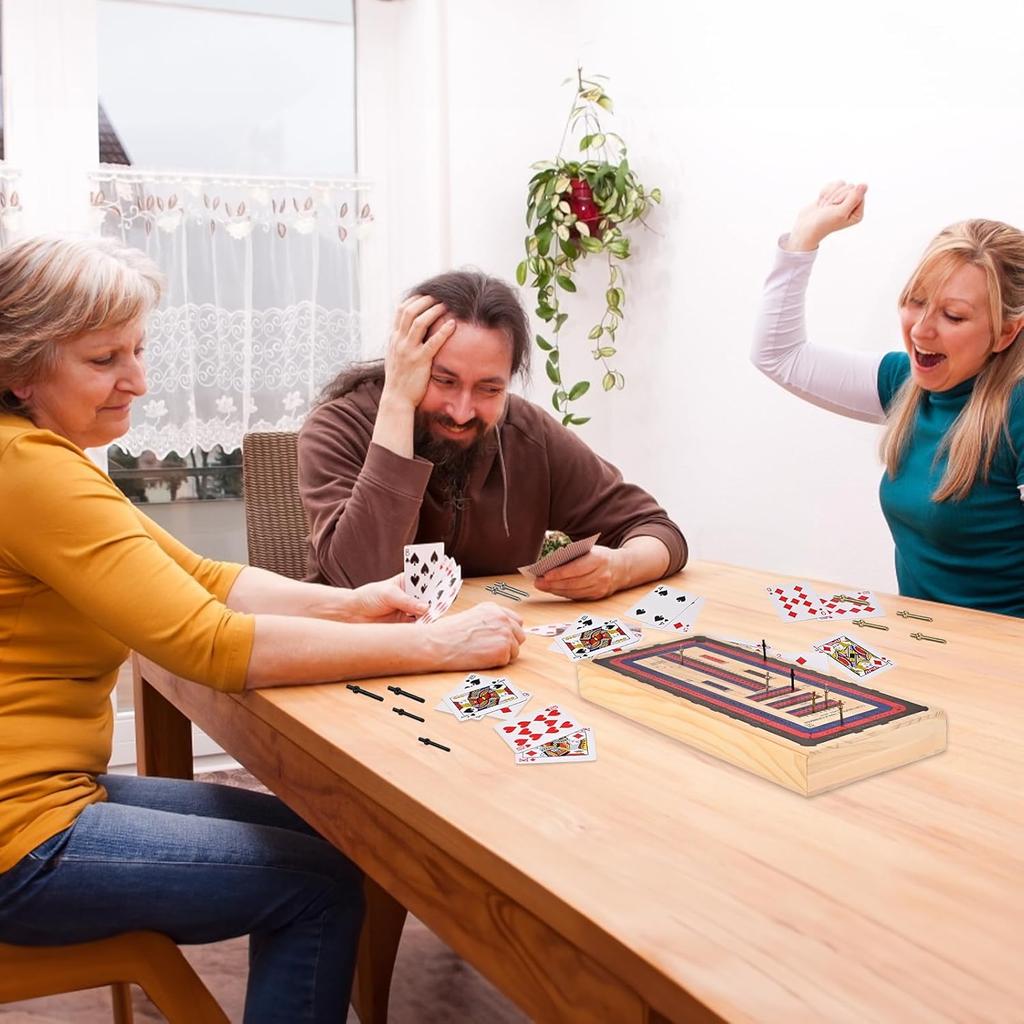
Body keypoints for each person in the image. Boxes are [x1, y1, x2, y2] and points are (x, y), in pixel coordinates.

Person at [0, 236, 525, 1024]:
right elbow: (205, 642)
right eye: (105, 359)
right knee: (316, 887)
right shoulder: (31, 471)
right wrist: (430, 646)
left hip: (45, 795)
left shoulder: (41, 458)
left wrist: (352, 605)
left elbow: (203, 578)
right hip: (21, 839)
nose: (138, 381)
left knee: (335, 834)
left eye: (137, 351)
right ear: (19, 367)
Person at [298, 270, 688, 600]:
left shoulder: (525, 433)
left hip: (490, 657)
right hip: (358, 663)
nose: (463, 410)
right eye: (443, 380)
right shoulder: (337, 429)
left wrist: (620, 567)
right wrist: (398, 401)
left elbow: (658, 531)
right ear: (404, 362)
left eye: (489, 389)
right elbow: (364, 580)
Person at [751, 180, 1024, 616]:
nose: (920, 331)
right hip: (921, 646)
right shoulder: (908, 385)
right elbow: (779, 356)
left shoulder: (1018, 410)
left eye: (953, 316)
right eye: (915, 302)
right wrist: (804, 239)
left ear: (1007, 332)